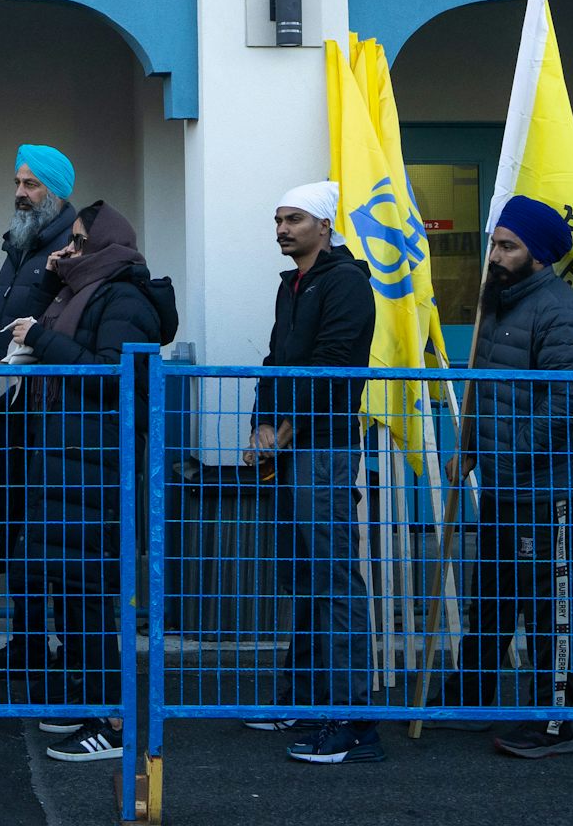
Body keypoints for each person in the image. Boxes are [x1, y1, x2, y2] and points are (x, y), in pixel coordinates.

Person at [430, 195, 573, 759]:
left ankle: (554, 720)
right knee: (493, 594)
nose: (495, 256)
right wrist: (471, 449)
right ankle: (471, 698)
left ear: (539, 255)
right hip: (502, 483)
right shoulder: (498, 304)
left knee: (548, 604)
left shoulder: (560, 310)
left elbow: (570, 402)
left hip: (544, 489)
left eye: (508, 246)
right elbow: (491, 387)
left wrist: (511, 455)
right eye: (493, 244)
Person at [8, 201, 168, 764]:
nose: (66, 251)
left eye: (77, 243)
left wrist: (42, 340)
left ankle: (113, 718)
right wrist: (51, 282)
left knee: (95, 594)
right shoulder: (82, 291)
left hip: (97, 468)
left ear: (105, 247)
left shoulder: (122, 297)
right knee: (76, 590)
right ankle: (90, 698)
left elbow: (110, 375)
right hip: (75, 465)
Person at [243, 182, 380, 765]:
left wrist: (287, 428)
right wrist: (259, 424)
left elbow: (336, 362)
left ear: (323, 225)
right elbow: (278, 360)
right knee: (304, 575)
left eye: (294, 219)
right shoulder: (292, 285)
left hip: (321, 448)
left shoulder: (346, 283)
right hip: (295, 449)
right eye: (277, 219)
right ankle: (305, 697)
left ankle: (352, 719)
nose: (282, 229)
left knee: (332, 576)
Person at [0, 145, 78, 679]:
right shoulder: (20, 245)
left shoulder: (71, 250)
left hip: (44, 422)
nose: (20, 193)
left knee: (45, 532)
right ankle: (28, 639)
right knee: (15, 527)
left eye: (31, 185)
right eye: (17, 182)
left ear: (55, 193)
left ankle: (63, 655)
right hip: (8, 416)